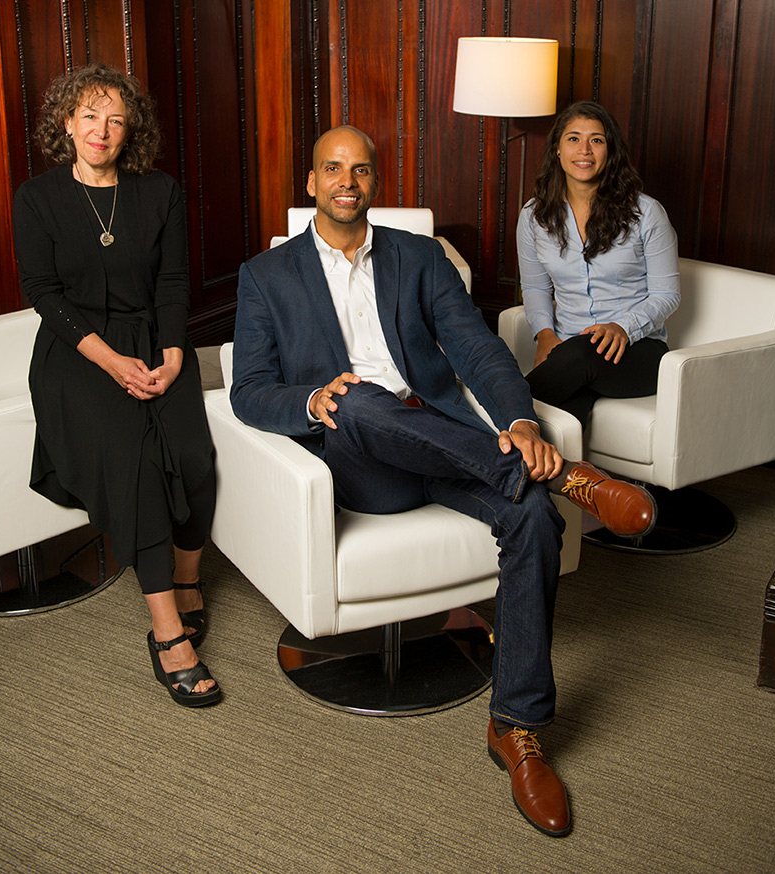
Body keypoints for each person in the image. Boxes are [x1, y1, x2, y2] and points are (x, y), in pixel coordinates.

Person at [231, 125, 656, 837]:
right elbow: (247, 389)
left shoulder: (419, 258)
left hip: (447, 441)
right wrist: (310, 402)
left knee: (532, 520)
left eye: (361, 170)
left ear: (375, 183)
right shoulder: (265, 277)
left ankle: (516, 731)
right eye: (332, 169)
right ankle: (567, 478)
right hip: (365, 464)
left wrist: (520, 421)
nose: (347, 181)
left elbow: (478, 349)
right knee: (358, 398)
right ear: (310, 183)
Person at [13, 64, 220, 707]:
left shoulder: (159, 193)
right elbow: (45, 295)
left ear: (132, 132)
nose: (101, 130)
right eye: (88, 116)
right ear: (66, 123)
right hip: (77, 354)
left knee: (194, 456)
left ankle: (188, 579)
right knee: (134, 461)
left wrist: (173, 356)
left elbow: (172, 284)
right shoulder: (38, 198)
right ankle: (167, 631)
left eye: (116, 119)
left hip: (156, 344)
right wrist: (110, 362)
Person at [518, 101, 680, 428]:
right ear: (557, 151)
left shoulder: (646, 213)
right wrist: (546, 335)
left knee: (577, 358)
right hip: (567, 348)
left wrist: (623, 327)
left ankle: (492, 417)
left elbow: (667, 294)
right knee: (563, 418)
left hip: (637, 351)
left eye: (597, 140)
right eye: (574, 138)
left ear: (610, 151)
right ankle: (561, 477)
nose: (585, 150)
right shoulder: (534, 216)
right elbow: (535, 287)